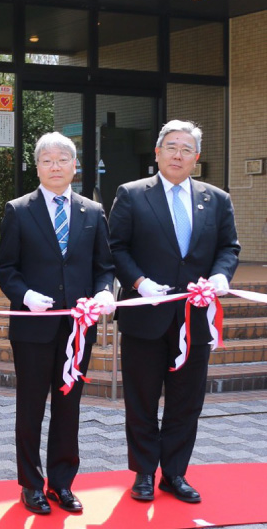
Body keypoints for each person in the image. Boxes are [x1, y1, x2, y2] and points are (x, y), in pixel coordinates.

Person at [108, 120, 239, 504]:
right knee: (142, 398)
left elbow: (229, 248)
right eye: (171, 147)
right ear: (157, 153)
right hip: (145, 315)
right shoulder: (131, 195)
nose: (178, 154)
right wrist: (139, 282)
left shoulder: (216, 199)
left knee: (186, 400)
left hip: (194, 316)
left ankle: (175, 473)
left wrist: (220, 275)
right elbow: (116, 248)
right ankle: (144, 473)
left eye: (186, 149)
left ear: (196, 157)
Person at [0, 132, 116, 515]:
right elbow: (6, 268)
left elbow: (104, 267)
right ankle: (30, 484)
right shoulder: (18, 209)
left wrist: (104, 292)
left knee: (69, 407)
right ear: (37, 166)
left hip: (77, 330)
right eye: (47, 160)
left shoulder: (92, 212)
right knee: (30, 407)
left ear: (75, 165)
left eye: (63, 159)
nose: (55, 166)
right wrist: (25, 295)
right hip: (33, 329)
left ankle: (62, 483)